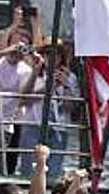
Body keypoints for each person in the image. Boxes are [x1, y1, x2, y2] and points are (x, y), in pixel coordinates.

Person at [17, 42, 80, 178]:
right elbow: (22, 100)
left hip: (59, 128)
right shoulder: (32, 74)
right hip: (34, 125)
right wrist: (47, 87)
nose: (51, 58)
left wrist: (66, 86)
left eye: (56, 54)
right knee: (29, 171)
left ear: (61, 57)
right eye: (48, 53)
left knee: (54, 172)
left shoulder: (70, 77)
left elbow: (71, 108)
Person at [0, 36, 35, 174]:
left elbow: (24, 95)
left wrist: (36, 69)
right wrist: (4, 52)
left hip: (3, 124)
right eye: (15, 45)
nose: (16, 50)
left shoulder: (26, 70)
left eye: (22, 48)